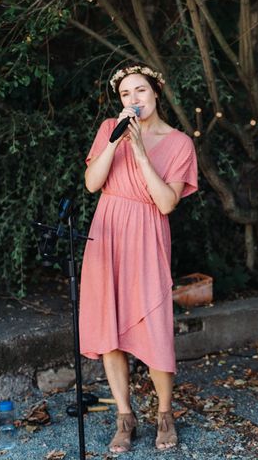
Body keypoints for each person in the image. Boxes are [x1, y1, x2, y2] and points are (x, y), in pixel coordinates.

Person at [79, 64, 198, 453]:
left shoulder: (179, 142)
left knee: (155, 327)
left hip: (147, 234)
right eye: (126, 94)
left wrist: (142, 155)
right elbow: (93, 183)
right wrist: (116, 141)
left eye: (140, 91)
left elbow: (166, 203)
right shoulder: (108, 129)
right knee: (109, 328)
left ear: (156, 93)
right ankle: (125, 417)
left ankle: (165, 414)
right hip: (107, 231)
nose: (133, 100)